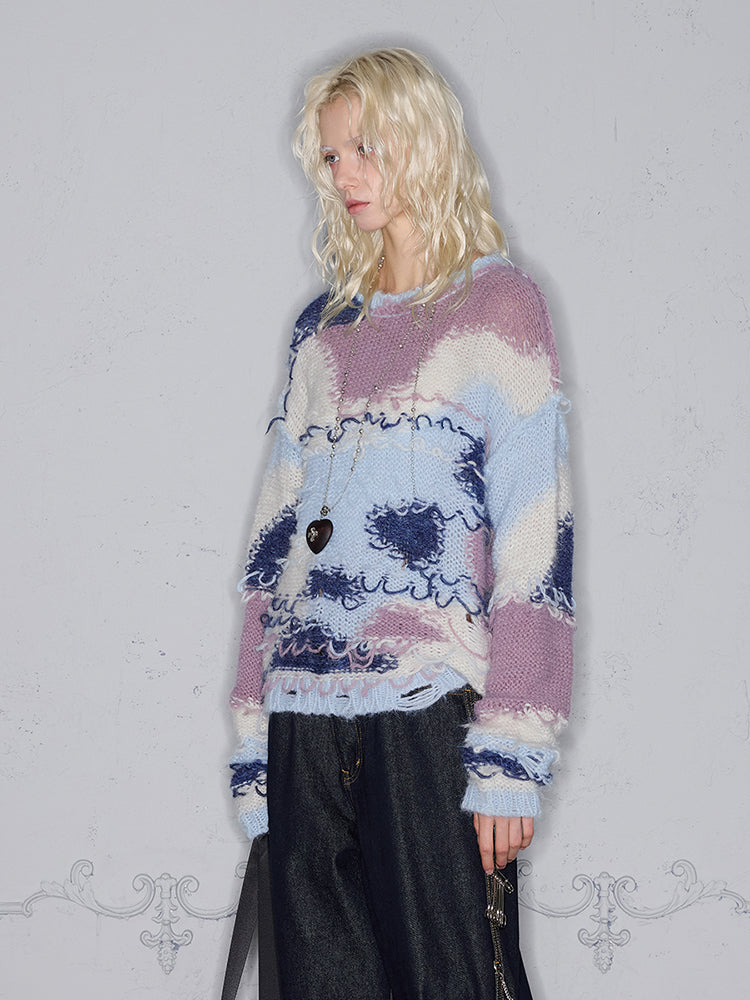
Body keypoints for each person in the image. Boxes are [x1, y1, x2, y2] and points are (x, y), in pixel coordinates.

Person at [228, 47, 574, 1000]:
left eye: (366, 148)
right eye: (331, 155)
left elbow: (535, 541)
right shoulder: (323, 329)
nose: (345, 175)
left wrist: (512, 750)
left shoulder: (498, 307)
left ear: (424, 142)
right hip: (303, 714)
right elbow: (275, 543)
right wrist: (254, 733)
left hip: (426, 712)